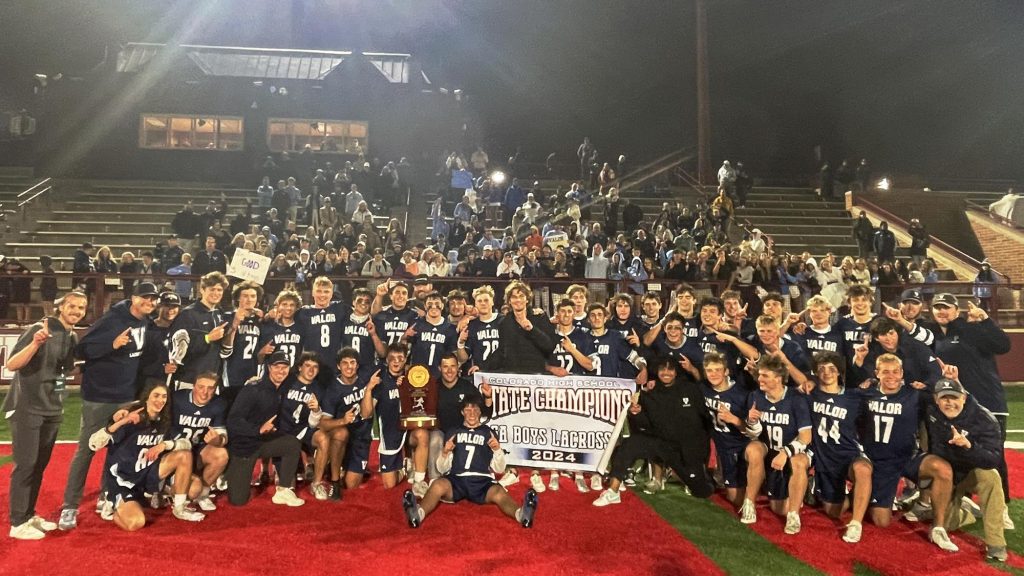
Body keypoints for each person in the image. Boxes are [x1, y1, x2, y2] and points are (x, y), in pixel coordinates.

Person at [58, 282, 156, 531]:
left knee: (117, 450)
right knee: (87, 450)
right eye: (145, 297)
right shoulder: (113, 319)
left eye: (153, 299)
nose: (150, 302)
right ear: (133, 298)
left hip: (125, 397)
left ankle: (107, 494)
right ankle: (70, 506)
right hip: (99, 397)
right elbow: (82, 349)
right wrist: (111, 345)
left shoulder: (146, 322)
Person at [5, 291, 86, 540]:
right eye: (72, 306)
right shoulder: (39, 328)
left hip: (52, 408)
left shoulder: (71, 335)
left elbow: (63, 370)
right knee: (26, 466)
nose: (77, 311)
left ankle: (29, 515)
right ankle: (17, 522)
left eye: (82, 308)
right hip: (27, 408)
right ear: (61, 307)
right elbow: (12, 364)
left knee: (38, 466)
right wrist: (36, 343)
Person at [928, 292, 1012, 525]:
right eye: (937, 308)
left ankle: (1000, 505)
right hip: (957, 406)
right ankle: (963, 499)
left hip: (988, 404)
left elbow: (1003, 345)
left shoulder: (971, 328)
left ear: (957, 310)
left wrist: (985, 320)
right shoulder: (937, 335)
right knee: (959, 451)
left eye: (946, 307)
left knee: (995, 455)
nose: (942, 311)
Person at [593, 356, 715, 507]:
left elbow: (706, 422)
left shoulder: (690, 389)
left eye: (670, 369)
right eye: (662, 369)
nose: (666, 373)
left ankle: (701, 475)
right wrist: (636, 413)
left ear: (676, 372)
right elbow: (646, 425)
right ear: (657, 372)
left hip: (688, 449)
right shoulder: (650, 393)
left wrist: (700, 454)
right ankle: (613, 491)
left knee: (701, 491)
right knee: (630, 444)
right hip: (662, 445)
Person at [402, 396, 538, 528]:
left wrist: (497, 450)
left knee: (498, 491)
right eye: (467, 409)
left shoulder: (488, 432)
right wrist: (445, 453)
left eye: (475, 410)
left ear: (480, 412)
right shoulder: (454, 432)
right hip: (457, 479)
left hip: (481, 481)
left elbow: (499, 468)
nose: (471, 413)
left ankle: (521, 514)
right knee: (438, 485)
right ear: (462, 412)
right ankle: (418, 513)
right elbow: (442, 469)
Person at [87, 382, 206, 531]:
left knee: (194, 487)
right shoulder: (130, 420)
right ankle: (112, 506)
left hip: (149, 474)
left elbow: (185, 444)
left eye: (164, 397)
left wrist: (165, 445)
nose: (160, 400)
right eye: (156, 395)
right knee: (135, 523)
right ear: (147, 397)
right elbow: (93, 444)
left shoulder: (164, 421)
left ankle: (179, 508)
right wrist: (121, 422)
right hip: (126, 481)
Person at [926, 377, 1008, 562]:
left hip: (974, 470)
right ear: (936, 400)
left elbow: (993, 459)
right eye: (944, 398)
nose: (949, 403)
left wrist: (969, 447)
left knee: (991, 477)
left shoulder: (985, 419)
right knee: (945, 525)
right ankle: (965, 511)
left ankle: (996, 543)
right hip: (948, 474)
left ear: (963, 397)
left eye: (954, 398)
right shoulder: (932, 412)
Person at [738, 355, 812, 535]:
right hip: (769, 451)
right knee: (753, 449)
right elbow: (753, 434)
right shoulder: (756, 396)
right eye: (759, 375)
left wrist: (785, 453)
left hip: (793, 452)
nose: (759, 379)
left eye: (764, 375)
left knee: (798, 463)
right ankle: (749, 503)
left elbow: (806, 437)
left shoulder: (796, 398)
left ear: (778, 378)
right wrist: (752, 421)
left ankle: (794, 514)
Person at [224, 351, 305, 507]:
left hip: (262, 443)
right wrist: (257, 430)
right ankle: (228, 472)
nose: (281, 371)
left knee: (292, 443)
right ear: (269, 368)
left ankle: (283, 490)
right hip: (244, 448)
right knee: (238, 500)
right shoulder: (253, 389)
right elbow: (233, 421)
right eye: (277, 366)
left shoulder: (281, 387)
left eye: (285, 367)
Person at [168, 372, 228, 512]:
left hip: (197, 450)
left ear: (215, 389)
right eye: (201, 387)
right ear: (193, 386)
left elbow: (222, 435)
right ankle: (166, 489)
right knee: (192, 490)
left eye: (210, 388)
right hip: (175, 452)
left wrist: (217, 440)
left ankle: (203, 495)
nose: (204, 392)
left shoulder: (219, 404)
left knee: (221, 454)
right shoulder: (177, 399)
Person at [167, 272, 230, 391]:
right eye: (212, 289)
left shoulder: (219, 313)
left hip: (212, 381)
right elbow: (176, 350)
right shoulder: (187, 314)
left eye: (219, 290)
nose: (216, 293)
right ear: (202, 289)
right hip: (189, 380)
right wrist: (207, 338)